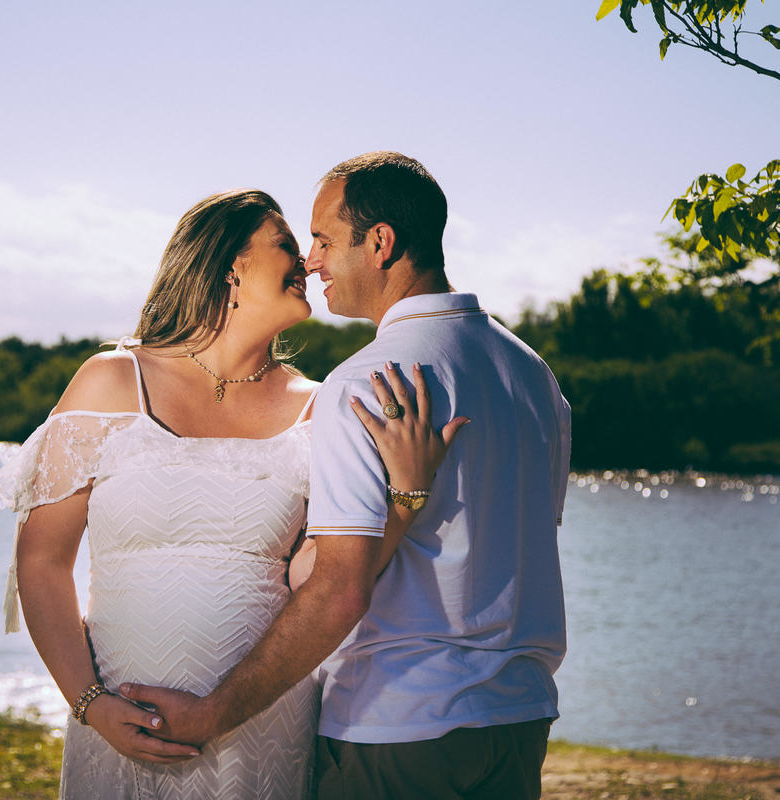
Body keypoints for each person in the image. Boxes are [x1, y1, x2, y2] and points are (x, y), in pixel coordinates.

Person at [120, 152, 571, 799]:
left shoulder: (363, 384)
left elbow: (338, 591)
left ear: (381, 243)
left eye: (326, 239)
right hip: (517, 723)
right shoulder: (533, 377)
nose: (312, 259)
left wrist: (212, 714)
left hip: (398, 730)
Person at [0, 188, 458, 799]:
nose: (310, 263)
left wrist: (404, 497)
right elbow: (42, 562)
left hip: (261, 731)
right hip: (117, 725)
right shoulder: (110, 382)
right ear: (230, 265)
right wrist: (90, 703)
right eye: (288, 245)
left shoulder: (323, 409)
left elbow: (320, 577)